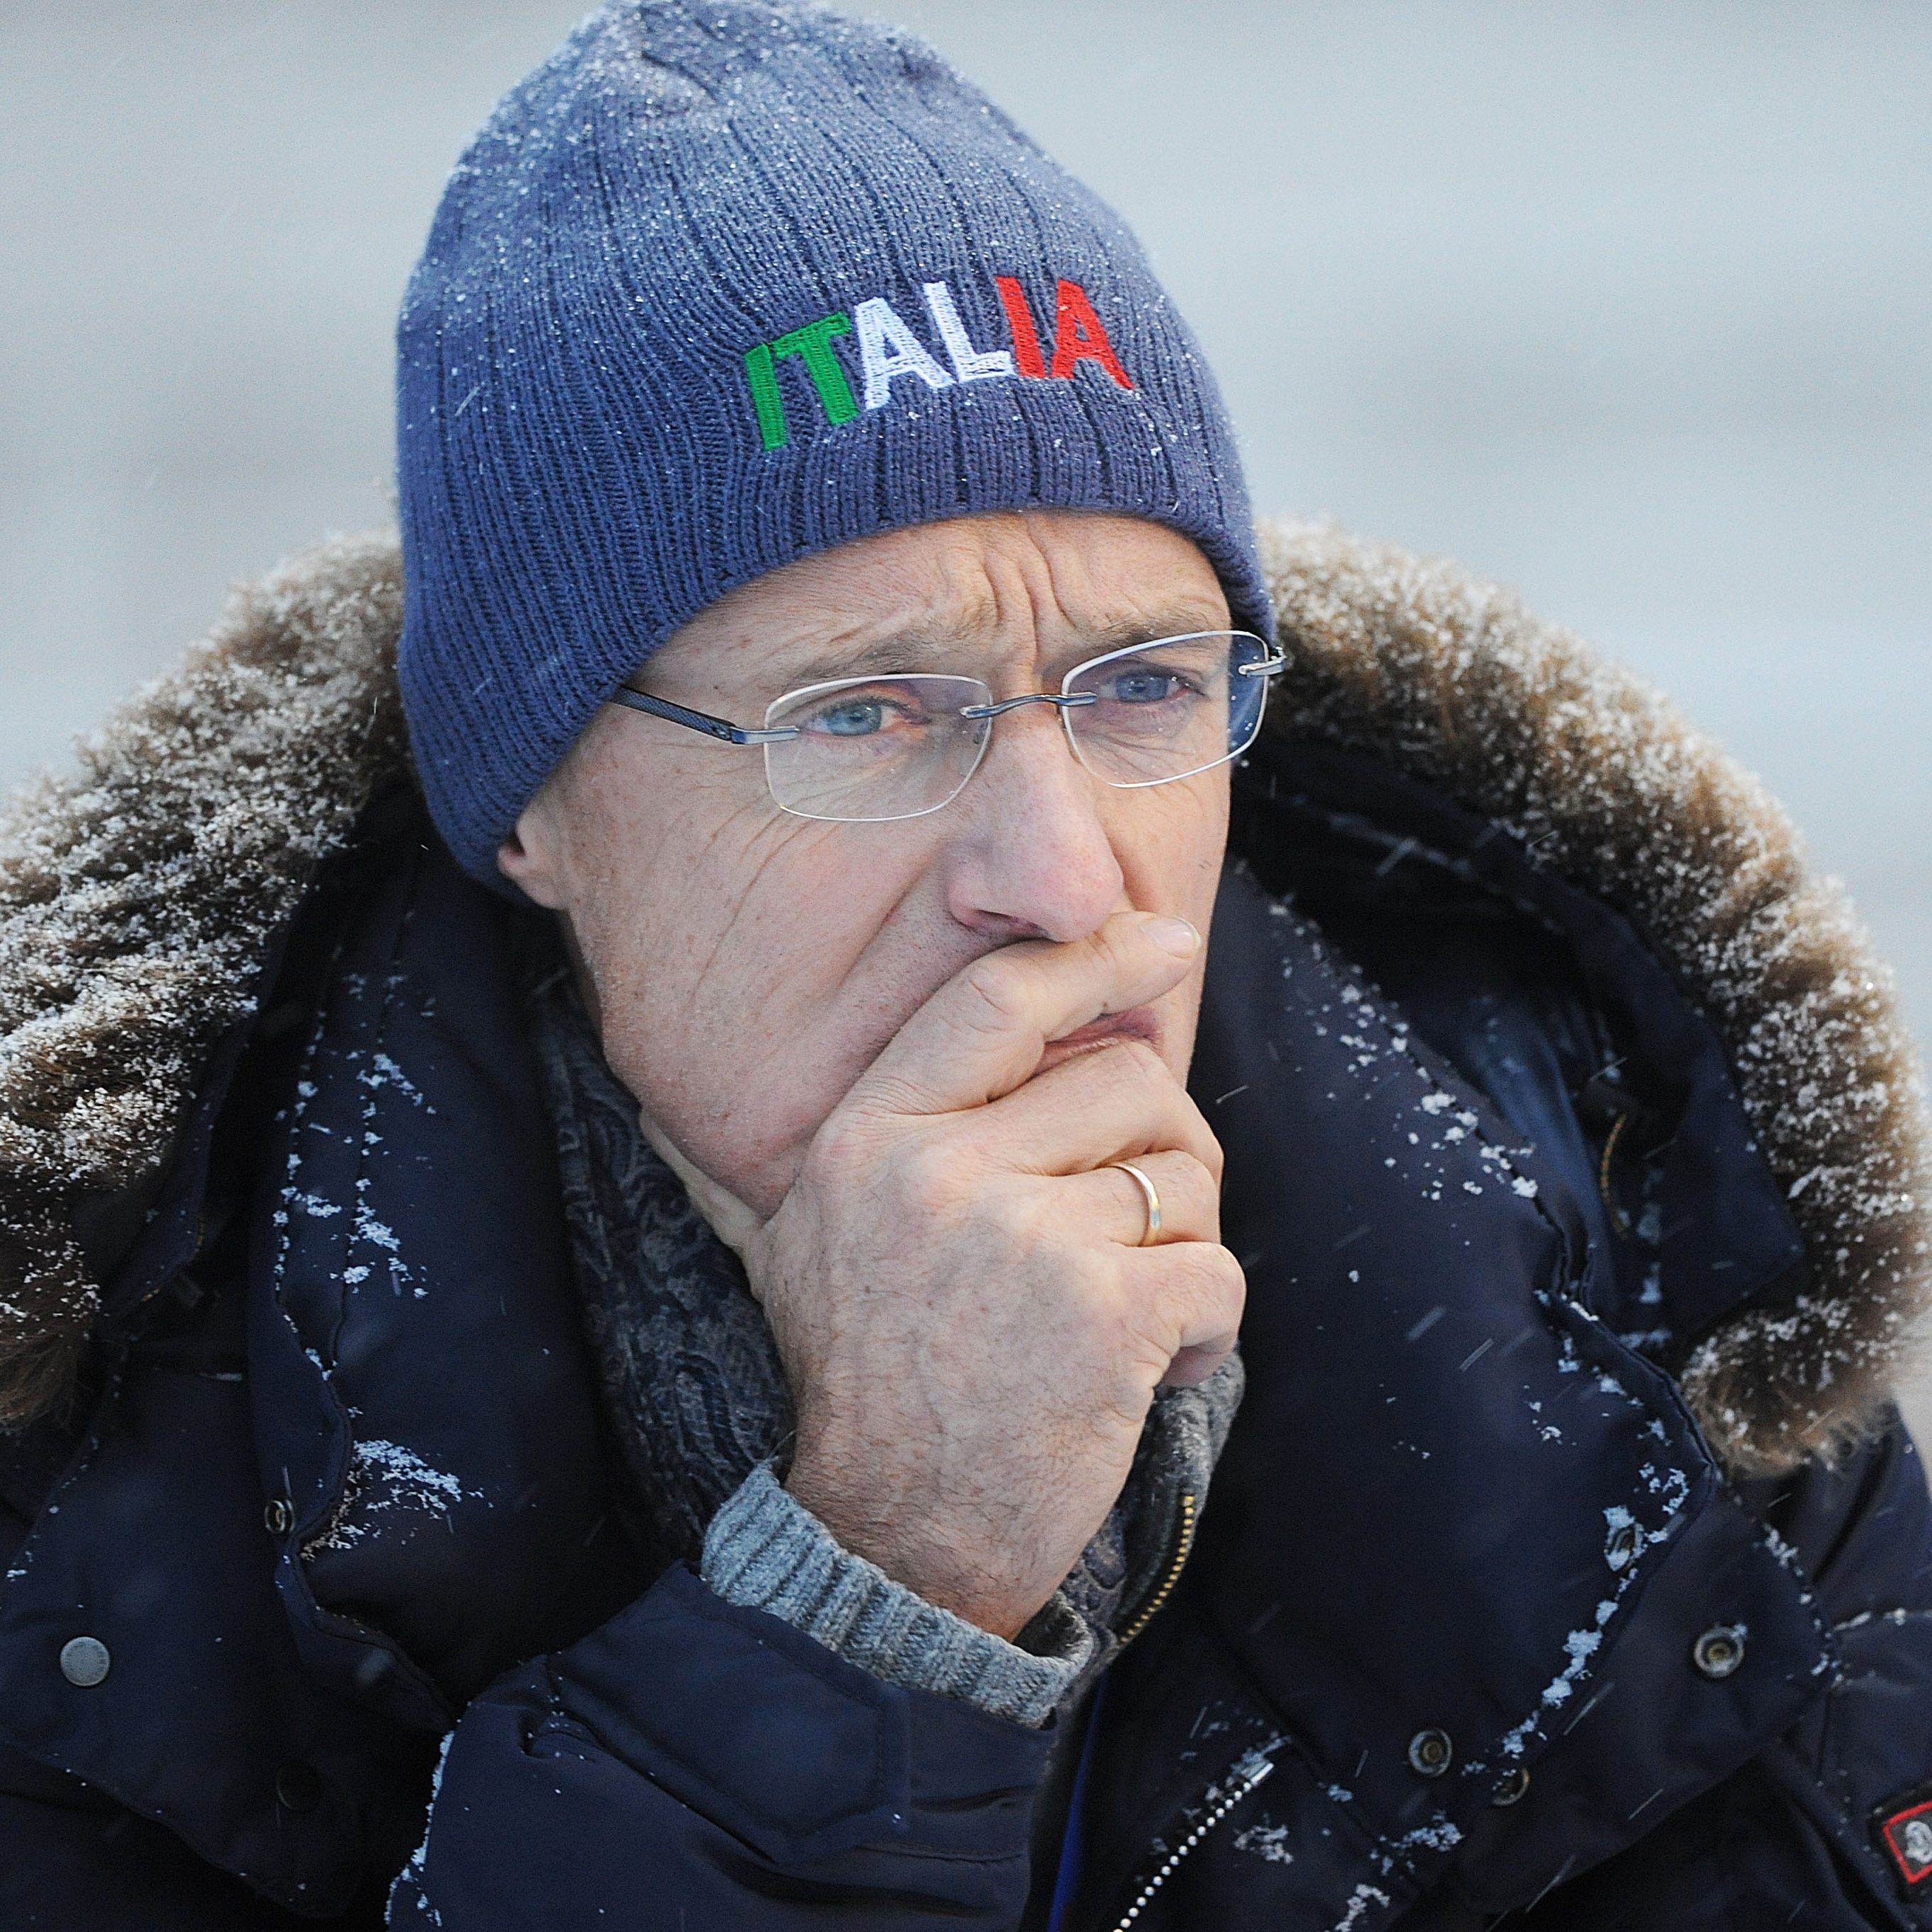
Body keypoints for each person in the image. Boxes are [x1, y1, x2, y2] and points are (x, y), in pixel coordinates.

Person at [1, 2, 1928, 1926]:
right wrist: (879, 1590)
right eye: (860, 714)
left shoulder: (1658, 1323)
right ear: (530, 813)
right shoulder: (102, 1496)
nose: (1060, 872)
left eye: (1145, 686)